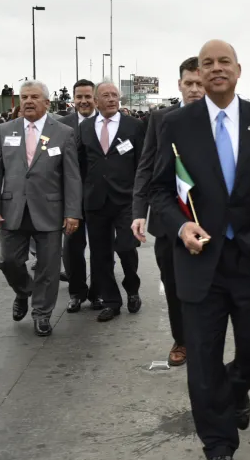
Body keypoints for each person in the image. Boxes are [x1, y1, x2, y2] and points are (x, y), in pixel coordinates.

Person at [150, 40, 250, 460]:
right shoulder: (175, 123)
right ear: (199, 70)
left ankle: (236, 388)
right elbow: (159, 191)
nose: (215, 69)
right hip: (199, 259)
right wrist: (179, 228)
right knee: (203, 361)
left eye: (223, 62)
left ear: (238, 70)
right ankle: (218, 445)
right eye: (206, 63)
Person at [0, 81, 82, 336]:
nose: (28, 101)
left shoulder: (63, 132)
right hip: (11, 209)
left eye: (34, 97)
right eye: (24, 96)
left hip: (49, 211)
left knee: (48, 267)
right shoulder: (5, 130)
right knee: (8, 261)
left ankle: (42, 314)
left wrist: (72, 212)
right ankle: (23, 291)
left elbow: (71, 176)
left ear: (46, 103)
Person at [132, 57, 204, 366]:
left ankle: (206, 339)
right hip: (167, 220)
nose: (195, 90)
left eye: (200, 83)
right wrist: (139, 211)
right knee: (173, 282)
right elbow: (146, 166)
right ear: (179, 85)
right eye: (189, 83)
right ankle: (182, 339)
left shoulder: (221, 119)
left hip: (209, 218)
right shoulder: (160, 119)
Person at [78, 81, 144, 322]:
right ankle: (112, 301)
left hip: (126, 200)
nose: (111, 99)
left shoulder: (134, 126)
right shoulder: (84, 128)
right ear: (96, 101)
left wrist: (142, 197)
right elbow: (80, 163)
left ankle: (132, 287)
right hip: (95, 200)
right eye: (105, 95)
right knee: (100, 254)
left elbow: (142, 163)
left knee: (127, 247)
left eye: (115, 95)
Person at [61, 79, 102, 312]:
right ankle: (76, 292)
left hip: (99, 197)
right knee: (72, 248)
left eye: (88, 96)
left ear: (95, 98)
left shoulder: (104, 123)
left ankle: (98, 293)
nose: (84, 101)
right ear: (73, 99)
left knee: (99, 249)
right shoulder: (62, 125)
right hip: (71, 198)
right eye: (80, 97)